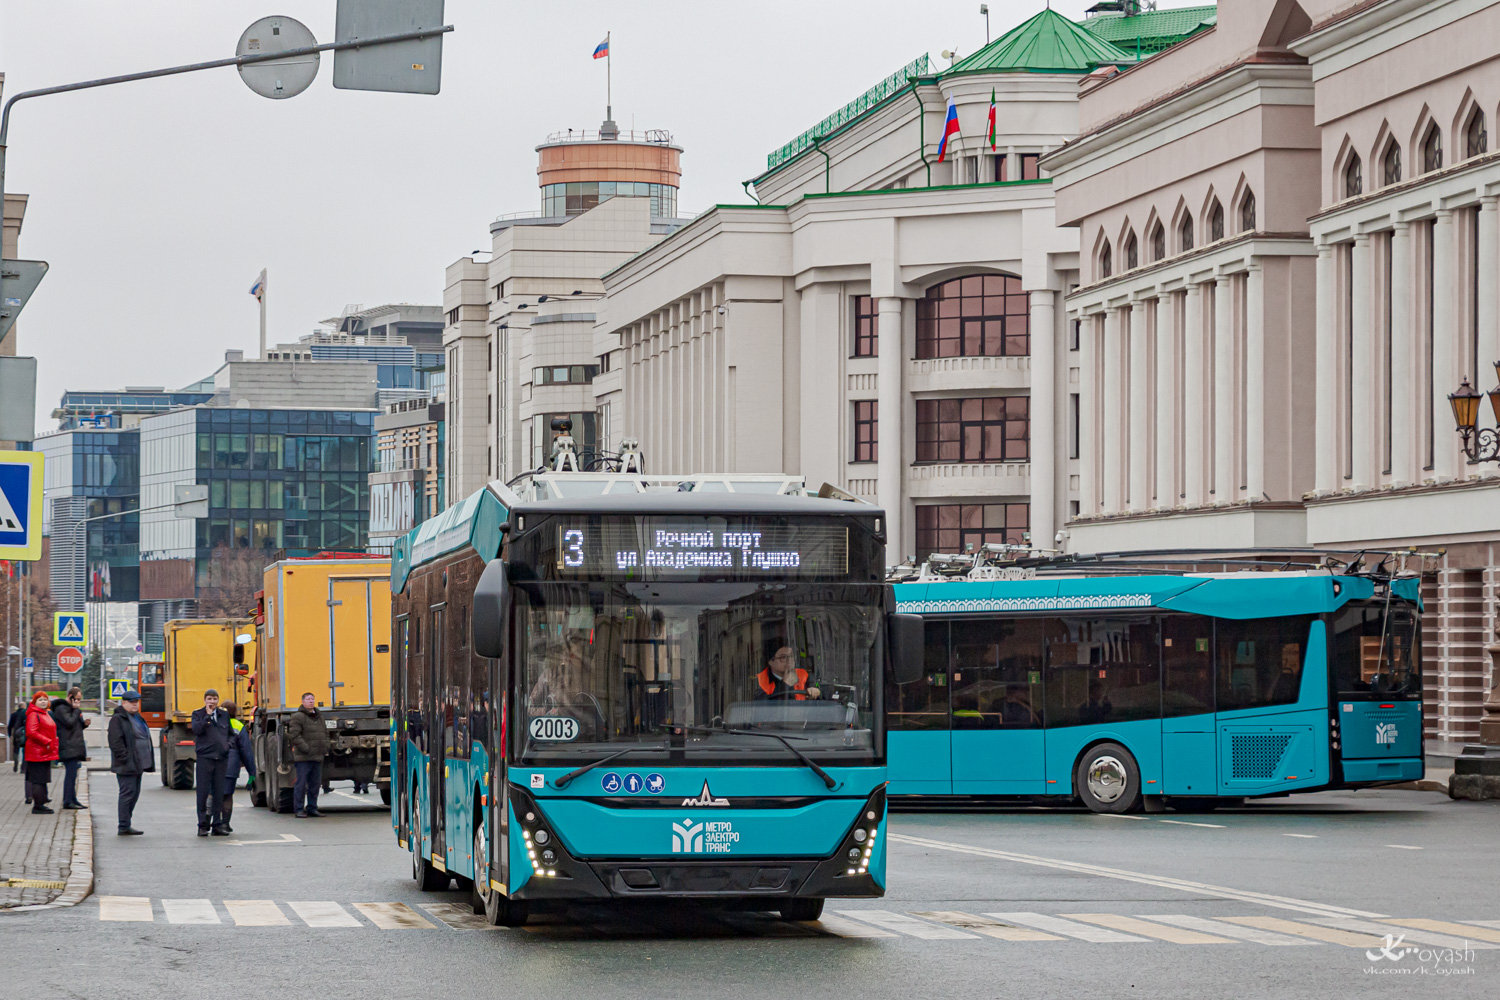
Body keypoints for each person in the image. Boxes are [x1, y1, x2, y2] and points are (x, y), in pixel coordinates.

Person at [107, 690, 154, 835]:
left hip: (139, 763)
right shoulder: (118, 719)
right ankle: (123, 826)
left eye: (137, 702)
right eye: (132, 702)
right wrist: (125, 758)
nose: (135, 704)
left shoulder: (137, 717)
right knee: (127, 794)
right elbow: (115, 742)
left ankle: (127, 823)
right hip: (127, 764)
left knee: (134, 794)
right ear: (124, 703)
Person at [190, 689, 232, 836]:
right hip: (205, 758)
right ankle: (202, 825)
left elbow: (231, 734)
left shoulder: (224, 715)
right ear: (204, 700)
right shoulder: (198, 714)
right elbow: (197, 730)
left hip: (220, 758)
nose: (212, 702)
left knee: (219, 792)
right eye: (209, 699)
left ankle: (217, 825)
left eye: (214, 699)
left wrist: (228, 745)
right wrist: (207, 716)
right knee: (202, 793)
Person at [285, 692, 330, 818]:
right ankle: (299, 809)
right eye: (308, 699)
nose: (311, 701)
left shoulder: (319, 716)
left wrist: (326, 746)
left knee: (315, 784)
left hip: (317, 755)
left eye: (312, 699)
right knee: (301, 784)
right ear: (303, 702)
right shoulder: (298, 717)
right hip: (303, 757)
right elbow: (294, 735)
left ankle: (312, 808)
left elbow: (325, 732)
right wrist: (306, 748)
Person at [50, 686, 91, 810]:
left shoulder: (72, 709)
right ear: (70, 696)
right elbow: (69, 723)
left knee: (73, 775)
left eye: (79, 699)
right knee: (70, 775)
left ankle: (72, 799)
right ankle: (68, 801)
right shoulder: (61, 709)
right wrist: (77, 711)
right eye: (76, 699)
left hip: (73, 745)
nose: (78, 702)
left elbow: (74, 726)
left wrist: (84, 724)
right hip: (68, 746)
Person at [23, 690, 59, 814]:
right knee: (38, 779)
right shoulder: (34, 714)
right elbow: (31, 732)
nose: (43, 702)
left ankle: (42, 802)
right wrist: (47, 741)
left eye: (45, 699)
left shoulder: (45, 713)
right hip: (36, 753)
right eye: (40, 700)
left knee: (43, 779)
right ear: (35, 702)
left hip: (44, 751)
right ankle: (38, 806)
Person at [221, 702, 255, 833]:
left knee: (214, 794)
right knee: (227, 795)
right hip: (231, 767)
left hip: (215, 765)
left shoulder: (215, 723)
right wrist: (252, 773)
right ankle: (225, 824)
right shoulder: (238, 726)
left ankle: (212, 823)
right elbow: (246, 751)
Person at [756, 646, 820, 700]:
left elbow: (822, 689)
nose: (790, 660)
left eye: (791, 656)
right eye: (783, 657)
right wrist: (785, 685)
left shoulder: (803, 674)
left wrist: (817, 691)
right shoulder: (759, 680)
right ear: (770, 661)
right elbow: (763, 705)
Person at [6, 702, 25, 773]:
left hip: (16, 733)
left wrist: (10, 734)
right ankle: (23, 768)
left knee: (15, 750)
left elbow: (10, 726)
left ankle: (16, 761)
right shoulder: (25, 714)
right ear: (24, 706)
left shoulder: (13, 715)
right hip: (24, 733)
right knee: (24, 751)